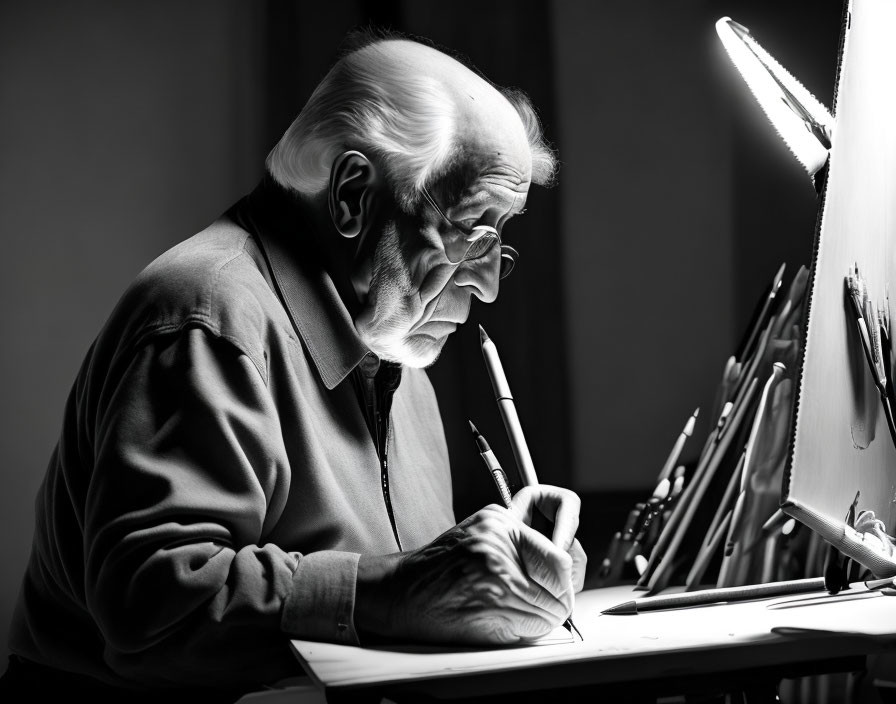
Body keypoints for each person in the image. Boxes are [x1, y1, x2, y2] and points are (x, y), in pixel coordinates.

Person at [2, 30, 586, 702]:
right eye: (471, 233)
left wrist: (506, 576)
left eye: (500, 247)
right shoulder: (210, 314)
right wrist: (403, 589)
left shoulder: (393, 345)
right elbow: (153, 608)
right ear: (352, 195)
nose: (487, 287)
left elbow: (390, 595)